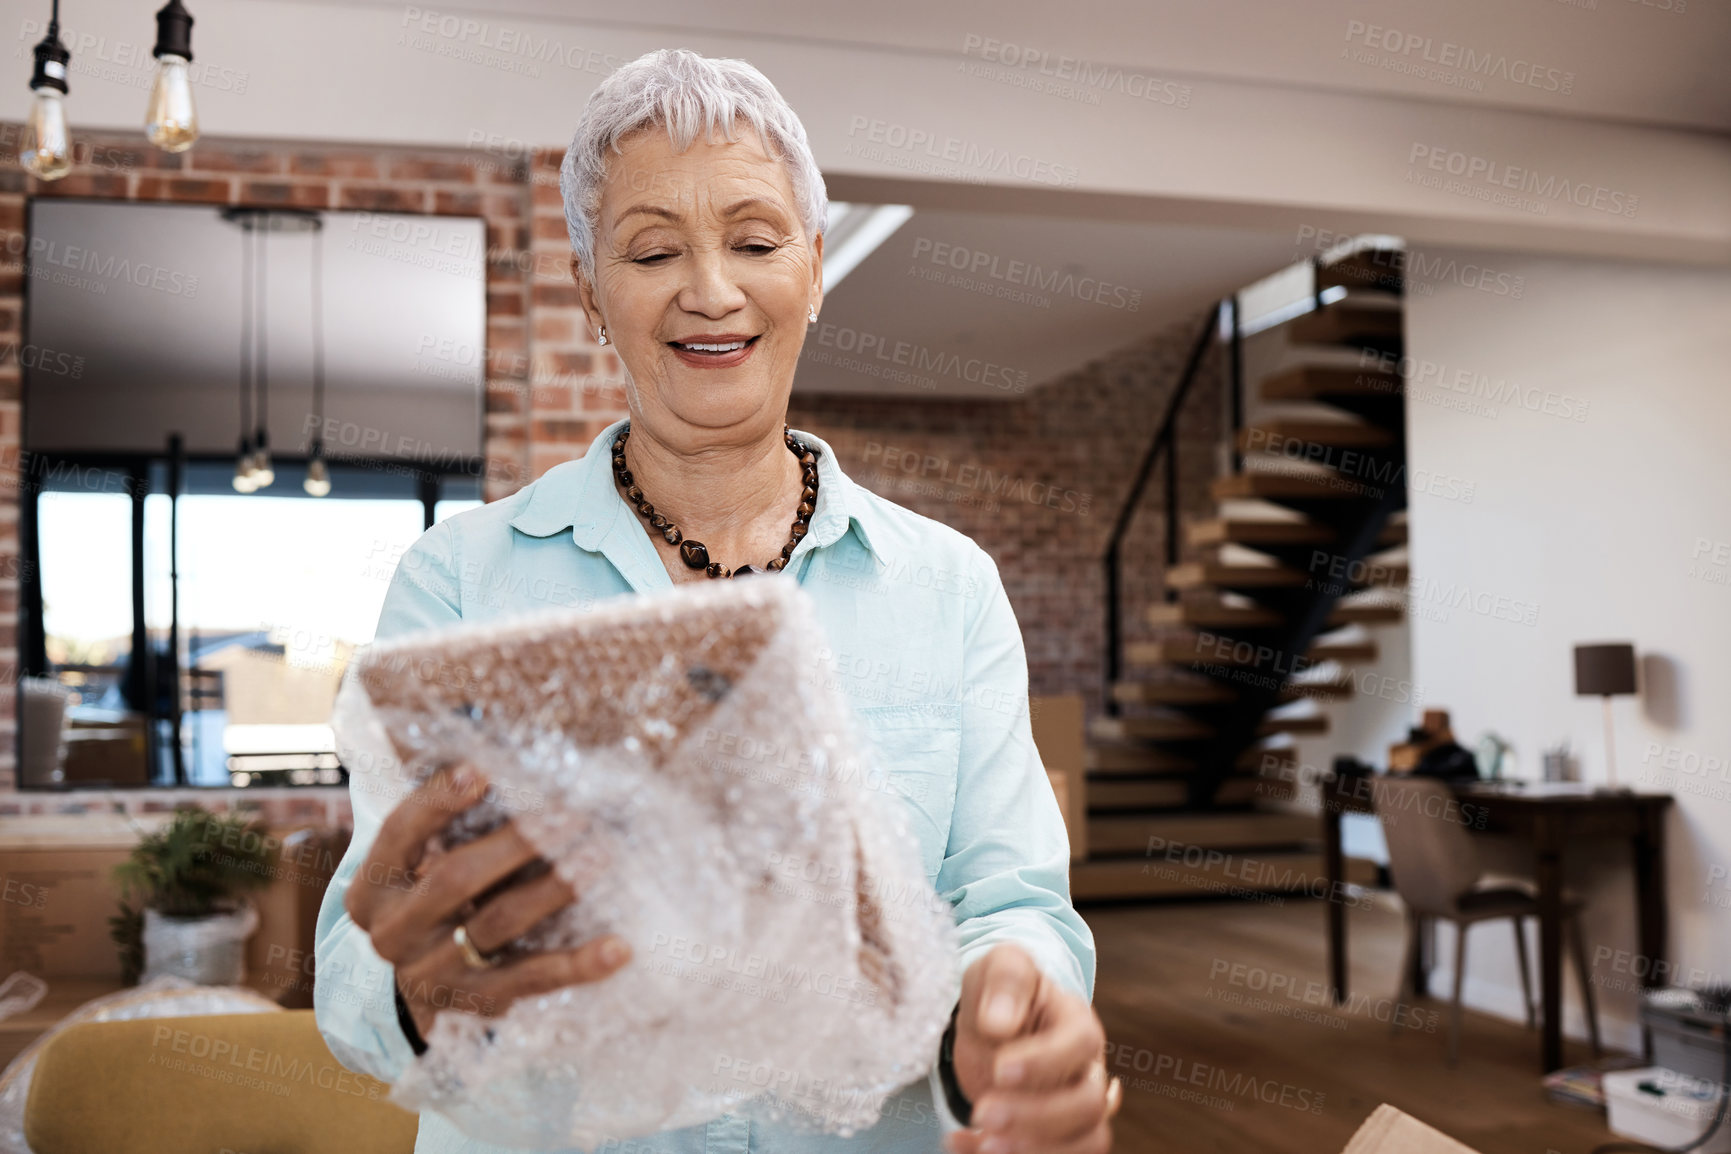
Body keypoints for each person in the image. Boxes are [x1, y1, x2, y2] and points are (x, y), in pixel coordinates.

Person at [315, 47, 1111, 1154]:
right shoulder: (460, 579)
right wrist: (419, 990)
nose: (712, 289)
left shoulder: (948, 585)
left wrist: (1008, 1012)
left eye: (754, 239)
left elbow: (1014, 900)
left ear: (817, 267)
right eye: (653, 249)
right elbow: (356, 965)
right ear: (591, 289)